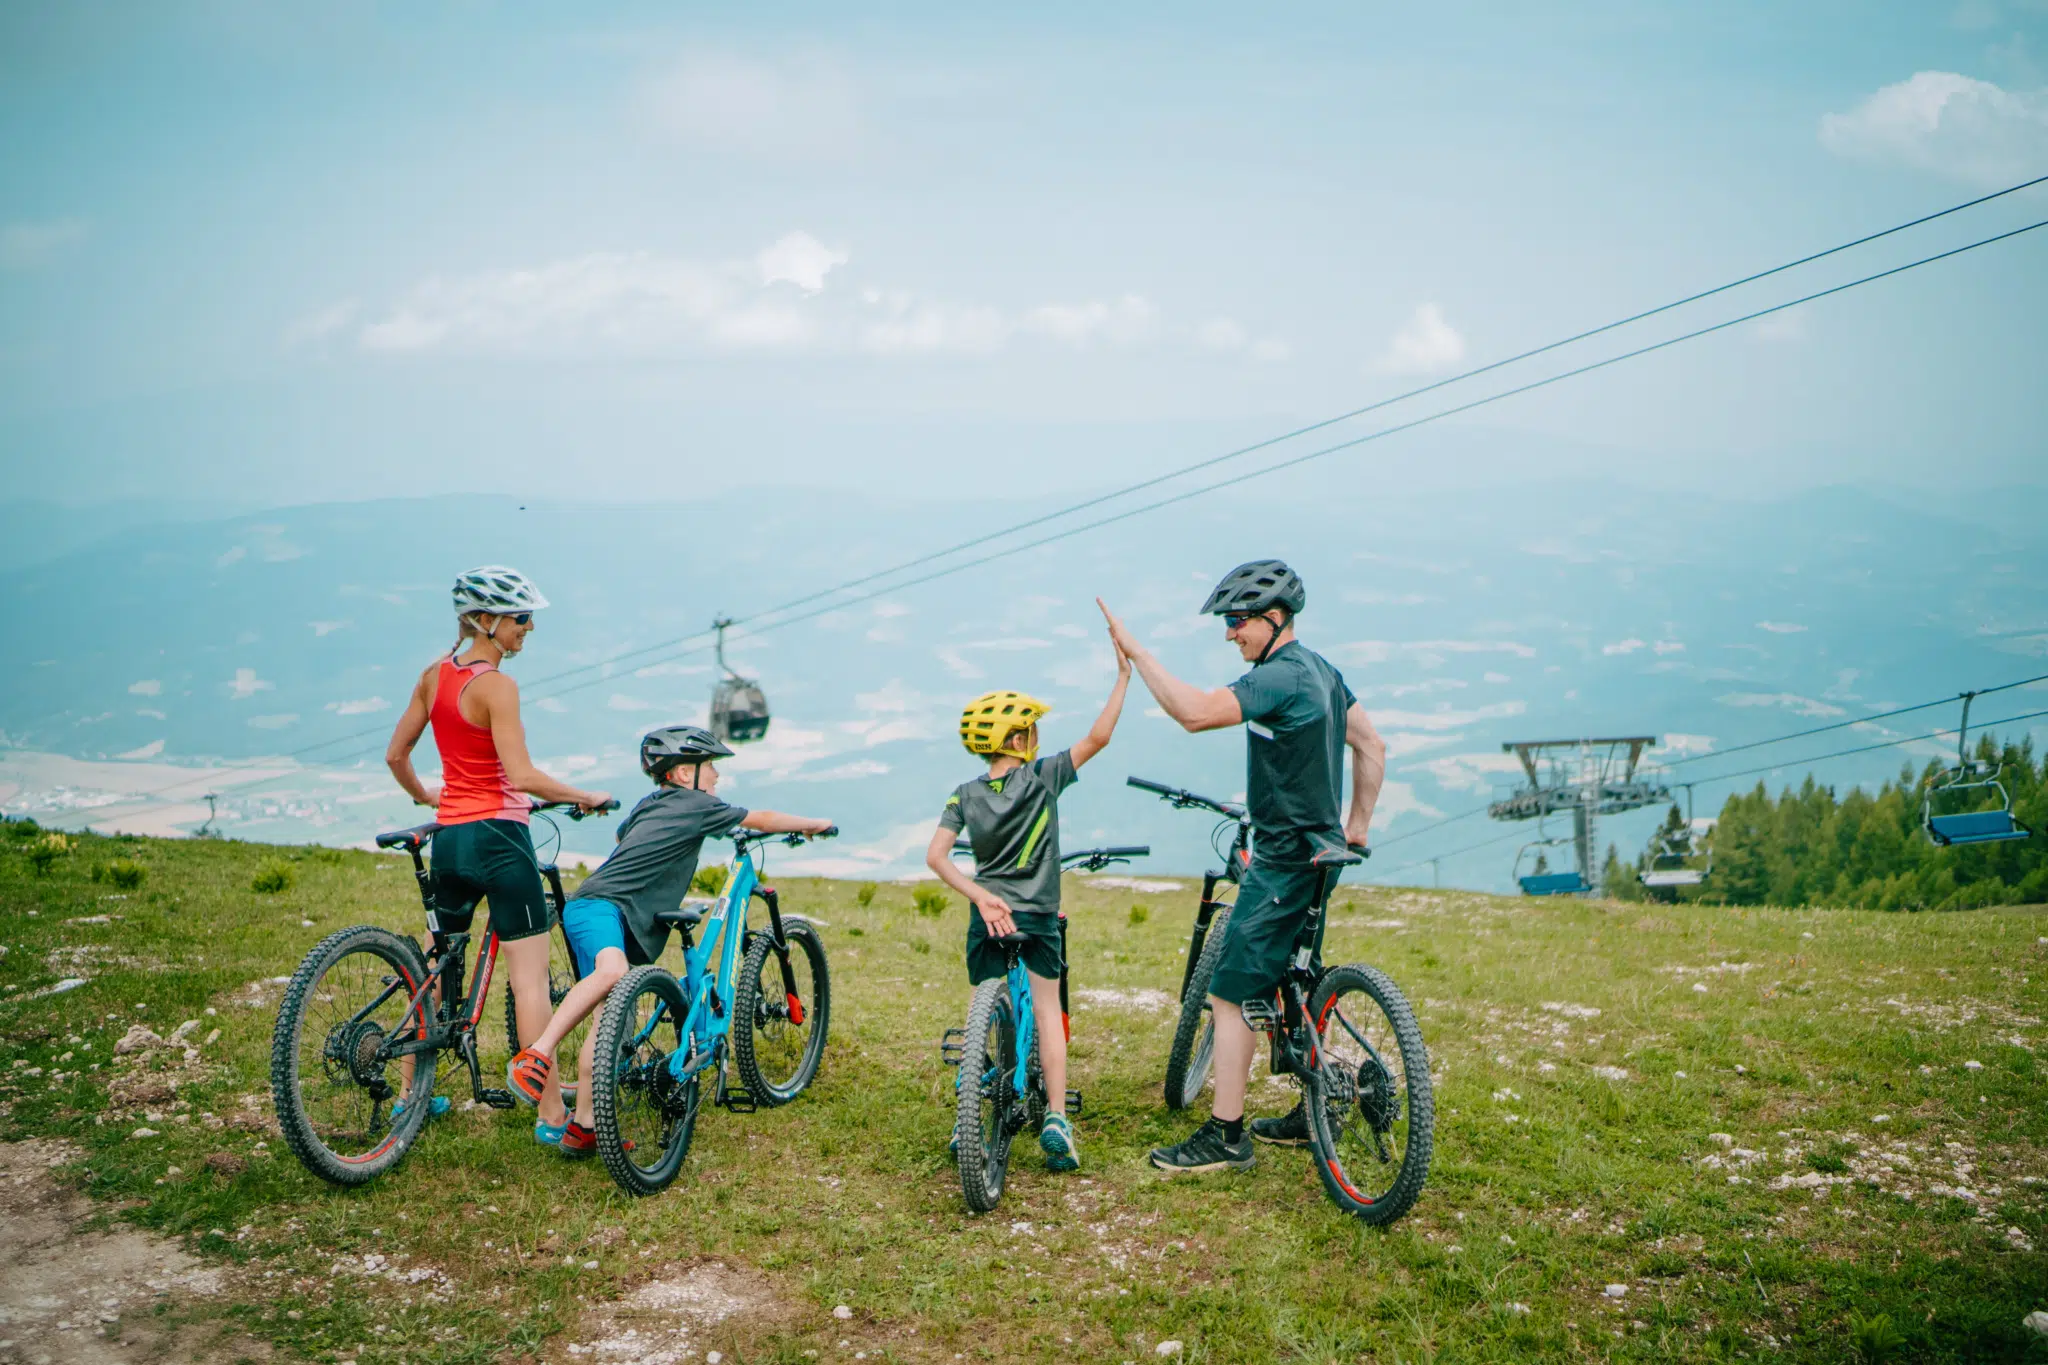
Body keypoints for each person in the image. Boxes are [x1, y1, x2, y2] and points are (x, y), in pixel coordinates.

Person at [1098, 559, 1387, 1173]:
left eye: (1236, 621)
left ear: (1273, 618)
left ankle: (1226, 1137)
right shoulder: (1322, 671)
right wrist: (1355, 828)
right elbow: (1371, 745)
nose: (1230, 634)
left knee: (1230, 996)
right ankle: (1314, 1113)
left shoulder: (1279, 677)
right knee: (1300, 978)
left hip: (1283, 858)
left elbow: (1195, 713)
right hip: (1322, 851)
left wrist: (1136, 653)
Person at [505, 725, 835, 1157]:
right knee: (613, 972)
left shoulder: (652, 803)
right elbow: (763, 819)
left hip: (598, 909)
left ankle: (584, 1125)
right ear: (683, 773)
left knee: (610, 1022)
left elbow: (623, 836)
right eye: (710, 766)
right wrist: (812, 825)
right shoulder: (698, 803)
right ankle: (539, 1054)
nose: (716, 775)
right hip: (601, 908)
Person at [385, 565, 611, 1142]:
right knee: (530, 981)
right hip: (501, 838)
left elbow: (396, 755)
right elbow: (523, 776)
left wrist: (427, 796)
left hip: (450, 839)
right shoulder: (498, 687)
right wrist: (583, 795)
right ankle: (552, 1116)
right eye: (521, 618)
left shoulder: (434, 677)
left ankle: (411, 1096)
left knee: (434, 968)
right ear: (486, 622)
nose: (529, 629)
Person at [923, 639, 1132, 1174]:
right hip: (1037, 917)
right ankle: (1057, 1117)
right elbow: (1099, 737)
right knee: (1045, 1012)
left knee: (981, 1013)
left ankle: (965, 1116)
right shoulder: (1043, 778)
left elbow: (936, 858)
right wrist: (1123, 679)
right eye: (1032, 730)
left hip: (987, 915)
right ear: (1019, 739)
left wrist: (981, 894)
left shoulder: (963, 794)